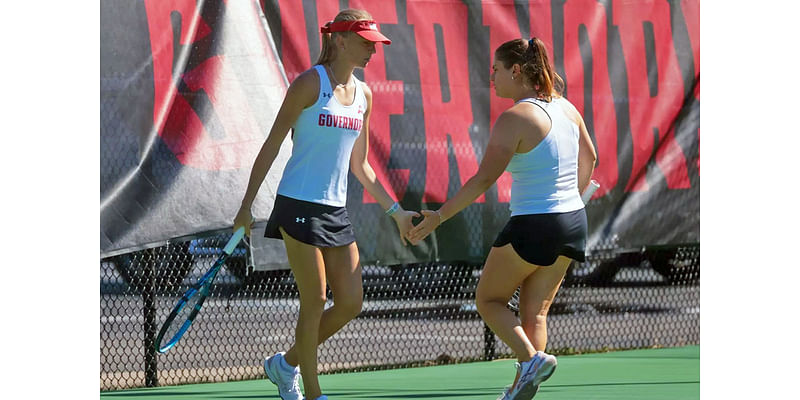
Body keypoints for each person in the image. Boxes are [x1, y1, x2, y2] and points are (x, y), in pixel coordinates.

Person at [233, 9, 418, 400]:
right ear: (339, 40)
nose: (373, 49)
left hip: (334, 210)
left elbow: (362, 166)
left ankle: (285, 364)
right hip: (297, 202)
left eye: (375, 43)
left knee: (350, 302)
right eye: (366, 42)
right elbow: (272, 144)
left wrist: (396, 212)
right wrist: (246, 205)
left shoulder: (364, 95)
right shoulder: (308, 85)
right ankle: (312, 393)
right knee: (315, 299)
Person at [406, 37, 597, 400]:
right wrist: (572, 196)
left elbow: (483, 179)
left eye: (495, 70)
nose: (491, 77)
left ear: (516, 71)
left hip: (534, 224)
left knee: (489, 301)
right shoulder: (567, 108)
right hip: (573, 221)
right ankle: (520, 388)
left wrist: (438, 217)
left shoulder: (515, 117)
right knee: (535, 314)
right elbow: (590, 159)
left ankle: (530, 359)